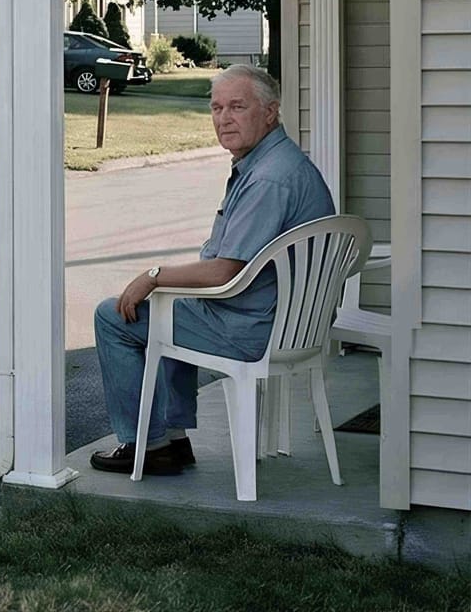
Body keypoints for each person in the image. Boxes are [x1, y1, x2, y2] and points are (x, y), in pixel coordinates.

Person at [90, 64, 335, 475]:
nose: (224, 118)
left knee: (114, 316)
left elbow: (223, 272)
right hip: (281, 321)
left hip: (254, 329)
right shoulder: (277, 162)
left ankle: (147, 445)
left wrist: (153, 276)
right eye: (217, 107)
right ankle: (170, 441)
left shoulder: (269, 179)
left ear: (270, 112)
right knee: (171, 309)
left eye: (237, 106)